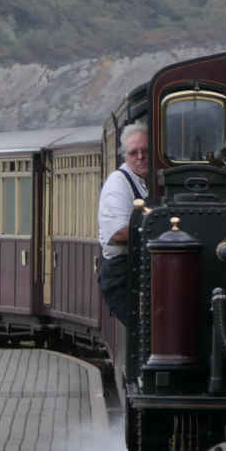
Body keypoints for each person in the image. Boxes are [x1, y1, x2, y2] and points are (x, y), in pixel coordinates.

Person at [96, 122, 150, 328]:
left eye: (145, 151)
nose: (140, 157)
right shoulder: (118, 184)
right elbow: (119, 233)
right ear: (124, 156)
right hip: (123, 275)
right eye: (133, 152)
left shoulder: (146, 181)